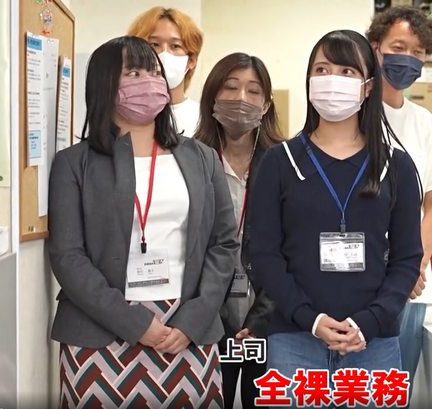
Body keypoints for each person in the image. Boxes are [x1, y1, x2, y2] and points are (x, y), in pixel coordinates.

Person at [48, 36, 238, 408]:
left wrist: (193, 319)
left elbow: (224, 243)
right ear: (105, 83)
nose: (149, 81)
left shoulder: (201, 157)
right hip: (100, 332)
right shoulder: (74, 163)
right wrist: (135, 324)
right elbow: (68, 256)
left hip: (186, 331)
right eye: (133, 72)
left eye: (153, 71)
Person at [249, 29, 422, 408]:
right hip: (294, 341)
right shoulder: (280, 162)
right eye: (322, 69)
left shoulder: (396, 165)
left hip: (374, 344)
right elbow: (264, 253)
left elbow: (408, 259)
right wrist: (309, 318)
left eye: (347, 72)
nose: (332, 80)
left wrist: (369, 321)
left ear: (368, 86)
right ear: (309, 81)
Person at [366, 6, 432, 398]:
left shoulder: (425, 123)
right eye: (398, 47)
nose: (408, 58)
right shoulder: (351, 115)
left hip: (412, 289)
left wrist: (412, 266)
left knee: (393, 394)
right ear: (375, 47)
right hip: (359, 283)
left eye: (418, 51)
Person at [195, 52, 284, 409]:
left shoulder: (285, 162)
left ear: (266, 105)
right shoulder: (190, 157)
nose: (241, 99)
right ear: (212, 96)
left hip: (268, 312)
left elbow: (293, 247)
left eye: (253, 91)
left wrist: (261, 319)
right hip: (204, 314)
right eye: (230, 87)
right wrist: (208, 312)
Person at [128, 7, 203, 137]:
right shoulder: (125, 115)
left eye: (175, 46)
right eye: (154, 44)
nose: (163, 54)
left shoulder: (203, 119)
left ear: (191, 60)